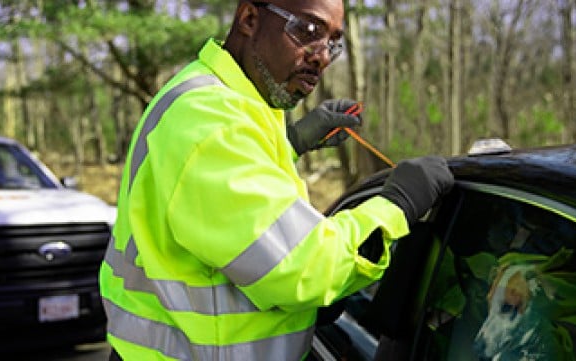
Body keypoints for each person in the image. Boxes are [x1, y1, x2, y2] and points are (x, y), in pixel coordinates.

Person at [99, 1, 454, 360]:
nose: (322, 57)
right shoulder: (211, 123)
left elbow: (218, 200)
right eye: (309, 31)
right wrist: (398, 204)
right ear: (250, 18)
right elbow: (307, 267)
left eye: (333, 42)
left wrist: (291, 144)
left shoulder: (218, 94)